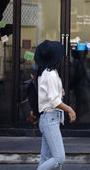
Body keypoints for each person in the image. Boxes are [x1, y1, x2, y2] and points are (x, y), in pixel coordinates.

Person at [35, 40, 76, 170]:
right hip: (50, 118)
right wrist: (70, 110)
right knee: (59, 158)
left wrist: (59, 91)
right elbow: (54, 102)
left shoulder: (46, 72)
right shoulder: (51, 74)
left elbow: (50, 95)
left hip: (48, 118)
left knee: (46, 158)